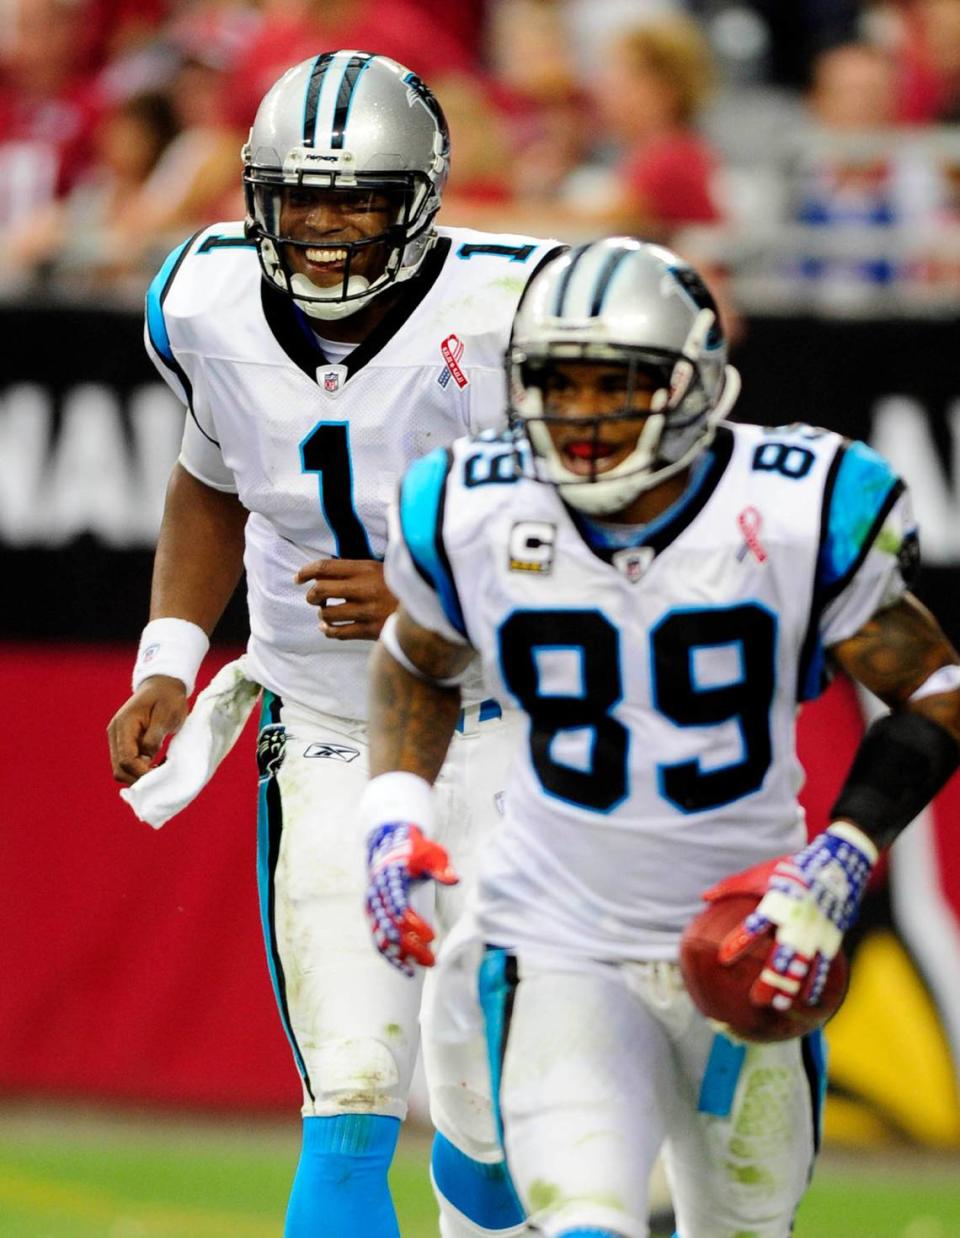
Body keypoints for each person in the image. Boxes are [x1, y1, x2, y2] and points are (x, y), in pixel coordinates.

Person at [360, 237, 960, 1237]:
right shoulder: (470, 501)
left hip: (750, 931)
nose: (583, 415)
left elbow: (933, 686)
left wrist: (846, 853)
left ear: (691, 387)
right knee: (586, 1219)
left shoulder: (798, 501)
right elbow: (414, 659)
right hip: (557, 937)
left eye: (616, 384)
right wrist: (392, 812)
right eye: (560, 382)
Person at [106, 50, 562, 1238]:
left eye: (352, 196)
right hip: (323, 726)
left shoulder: (516, 315)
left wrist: (432, 588)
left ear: (419, 196)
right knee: (350, 1087)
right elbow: (211, 480)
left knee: (489, 1108)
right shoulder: (203, 300)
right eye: (296, 195)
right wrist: (168, 655)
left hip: (501, 729)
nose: (318, 226)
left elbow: (613, 537)